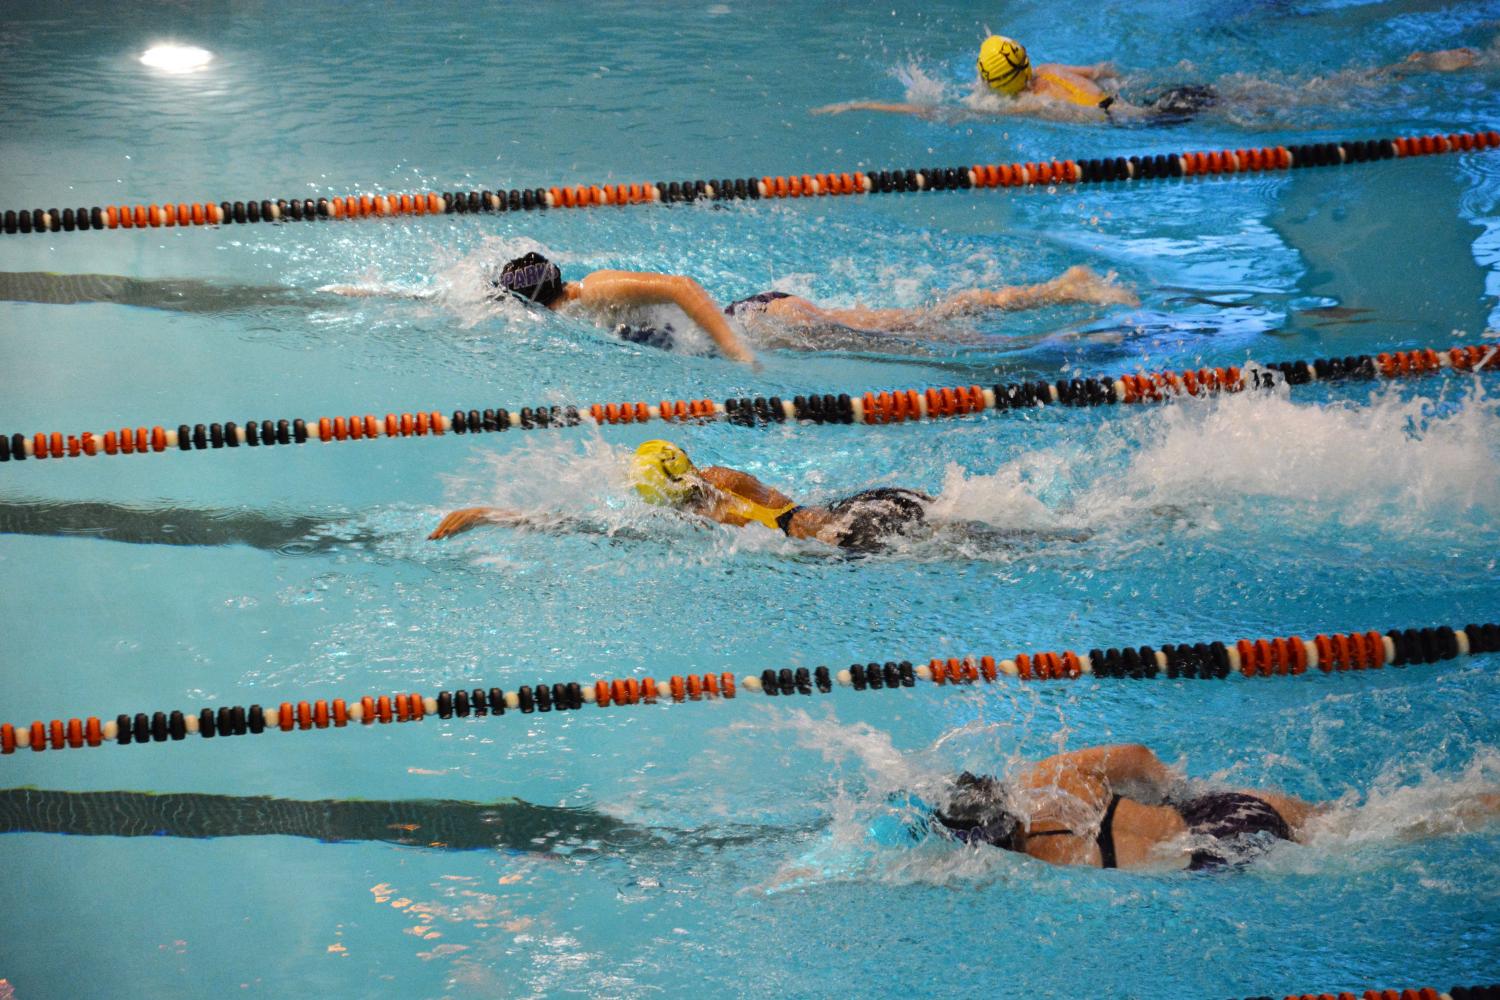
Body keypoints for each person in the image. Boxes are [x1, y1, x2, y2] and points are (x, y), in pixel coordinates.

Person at [895, 743, 1500, 871]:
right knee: (1383, 817)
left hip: (1212, 858)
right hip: (1221, 814)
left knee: (1394, 838)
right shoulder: (1049, 779)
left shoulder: (1039, 862)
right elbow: (1135, 756)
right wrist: (1176, 794)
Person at [487, 253, 1135, 360]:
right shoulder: (572, 309)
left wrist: (737, 349)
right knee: (920, 333)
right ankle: (1057, 302)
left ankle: (1059, 296)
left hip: (767, 322)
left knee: (924, 335)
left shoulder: (593, 293)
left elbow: (683, 288)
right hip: (769, 321)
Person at [814, 35, 1483, 125]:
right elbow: (1105, 71)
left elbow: (939, 113)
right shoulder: (1048, 70)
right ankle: (1406, 66)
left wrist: (861, 103)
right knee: (1288, 92)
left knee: (1282, 105)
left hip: (1142, 118)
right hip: (1146, 96)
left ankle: (1408, 71)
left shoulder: (1024, 103)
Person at [429, 438, 940, 553]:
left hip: (856, 534)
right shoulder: (721, 479)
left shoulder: (701, 519)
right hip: (867, 504)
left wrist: (491, 515)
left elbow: (573, 523)